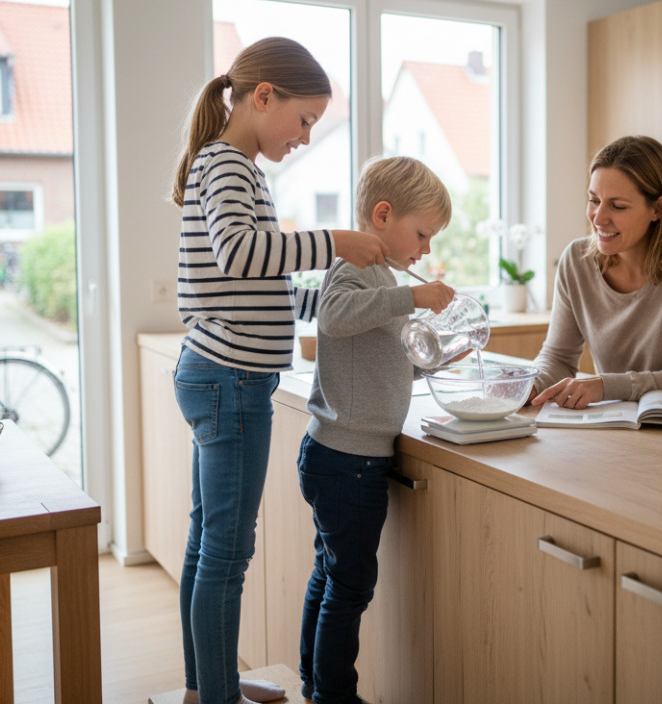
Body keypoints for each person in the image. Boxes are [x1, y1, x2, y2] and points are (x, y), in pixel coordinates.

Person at [169, 37, 389, 704]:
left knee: (207, 540)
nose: (305, 137)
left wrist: (349, 301)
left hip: (219, 375)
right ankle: (217, 697)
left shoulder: (232, 167)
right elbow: (242, 254)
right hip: (230, 382)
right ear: (264, 96)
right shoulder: (229, 166)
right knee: (226, 555)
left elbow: (262, 288)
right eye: (304, 121)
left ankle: (206, 683)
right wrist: (335, 243)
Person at [298, 156, 454, 704]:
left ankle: (315, 683)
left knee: (332, 575)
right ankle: (334, 695)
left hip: (345, 457)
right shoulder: (354, 267)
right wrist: (413, 297)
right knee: (350, 586)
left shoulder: (381, 278)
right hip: (348, 462)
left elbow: (385, 354)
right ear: (382, 215)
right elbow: (335, 316)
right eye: (422, 234)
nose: (426, 249)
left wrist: (435, 357)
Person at [530, 134, 662, 410]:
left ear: (657, 209)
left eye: (618, 206)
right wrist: (530, 384)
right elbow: (558, 357)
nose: (598, 218)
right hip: (622, 423)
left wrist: (604, 386)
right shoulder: (576, 261)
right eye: (593, 200)